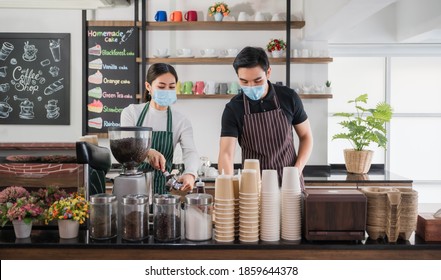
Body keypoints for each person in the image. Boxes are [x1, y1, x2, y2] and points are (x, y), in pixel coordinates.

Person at [218, 47, 313, 187]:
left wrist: (296, 171)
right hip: (253, 188)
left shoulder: (288, 97)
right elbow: (226, 153)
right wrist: (228, 187)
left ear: (268, 72)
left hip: (289, 183)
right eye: (244, 81)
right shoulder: (233, 108)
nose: (251, 86)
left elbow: (306, 136)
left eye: (257, 81)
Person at [121, 63, 198, 194]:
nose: (167, 91)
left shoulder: (181, 120)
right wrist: (147, 152)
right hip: (131, 190)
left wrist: (190, 174)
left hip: (162, 192)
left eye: (172, 87)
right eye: (161, 87)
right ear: (148, 87)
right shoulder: (131, 112)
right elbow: (125, 145)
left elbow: (190, 151)